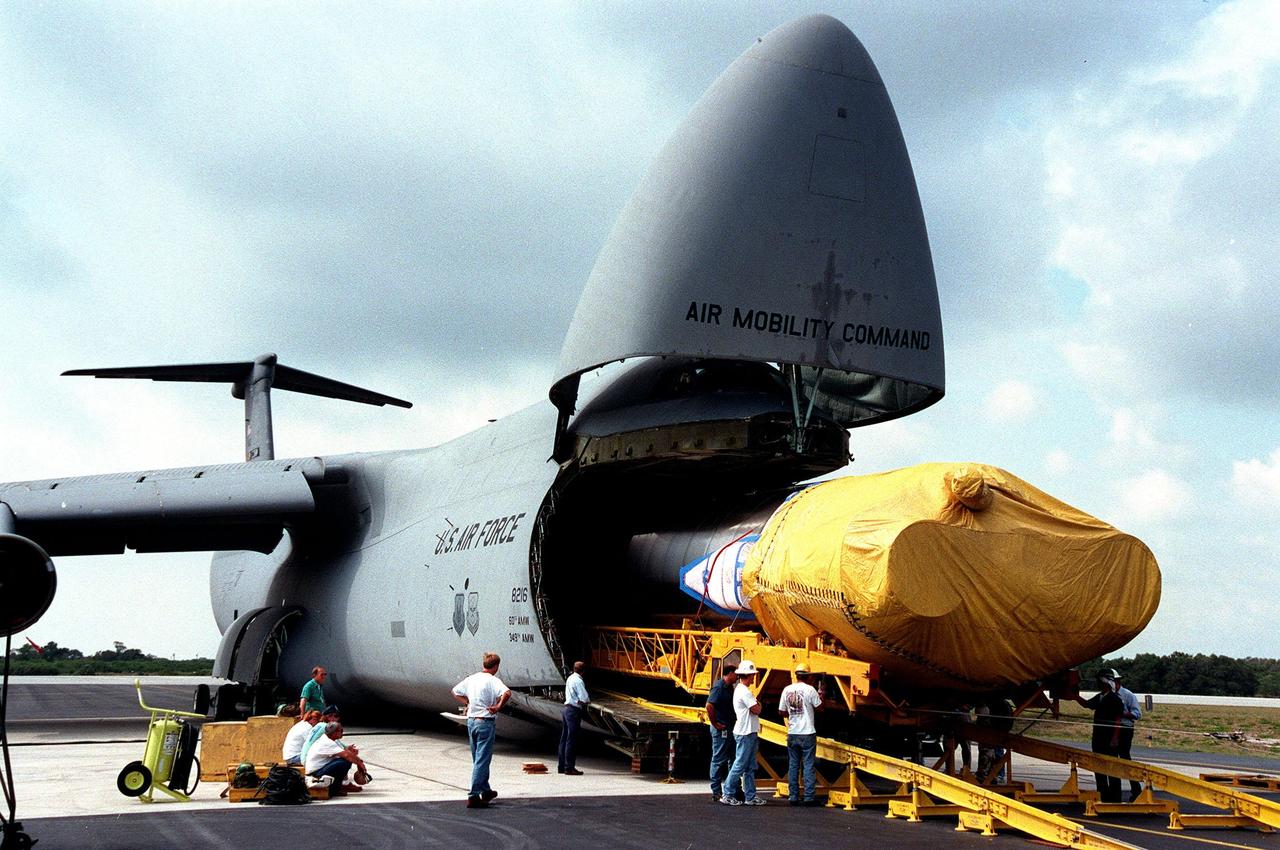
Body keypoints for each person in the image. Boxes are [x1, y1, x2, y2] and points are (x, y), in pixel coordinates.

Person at [452, 652, 511, 809]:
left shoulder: (472, 679)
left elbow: (455, 691)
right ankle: (473, 795)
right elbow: (507, 693)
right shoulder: (493, 681)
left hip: (471, 722)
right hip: (485, 722)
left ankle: (485, 790)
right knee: (482, 760)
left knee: (478, 758)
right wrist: (498, 706)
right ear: (496, 666)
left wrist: (468, 702)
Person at [721, 660, 766, 806]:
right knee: (740, 764)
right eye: (752, 675)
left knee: (749, 766)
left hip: (748, 731)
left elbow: (755, 708)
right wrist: (758, 704)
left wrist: (757, 704)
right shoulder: (744, 692)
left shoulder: (741, 690)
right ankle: (727, 793)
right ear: (747, 675)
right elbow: (757, 709)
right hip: (746, 732)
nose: (754, 678)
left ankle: (750, 796)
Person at [1076, 672, 1125, 803]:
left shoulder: (1115, 699)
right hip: (1098, 737)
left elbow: (1118, 719)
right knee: (1099, 767)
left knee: (1112, 767)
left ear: (1106, 684)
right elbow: (1088, 705)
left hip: (1109, 738)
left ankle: (1115, 797)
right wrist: (1076, 697)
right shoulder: (1100, 697)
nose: (1099, 685)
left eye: (1101, 683)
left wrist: (1115, 737)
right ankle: (1102, 794)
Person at [778, 663, 822, 806]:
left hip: (793, 733)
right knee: (808, 765)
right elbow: (820, 708)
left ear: (796, 675)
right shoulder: (810, 690)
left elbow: (781, 711)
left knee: (793, 765)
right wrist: (822, 695)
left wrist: (792, 713)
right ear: (809, 676)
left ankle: (793, 796)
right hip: (807, 733)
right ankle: (809, 797)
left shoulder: (787, 689)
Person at [304, 721, 367, 796]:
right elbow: (346, 755)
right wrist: (360, 764)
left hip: (319, 770)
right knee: (344, 763)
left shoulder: (330, 740)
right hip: (316, 773)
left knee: (345, 760)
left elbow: (345, 752)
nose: (342, 733)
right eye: (341, 731)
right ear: (334, 733)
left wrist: (354, 757)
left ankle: (337, 787)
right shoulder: (327, 742)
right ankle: (335, 789)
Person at [1110, 668, 1144, 801]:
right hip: (1111, 728)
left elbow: (1137, 714)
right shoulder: (1107, 695)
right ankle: (1114, 790)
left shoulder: (1128, 695)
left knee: (1124, 758)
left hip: (1125, 729)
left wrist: (1121, 714)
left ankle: (1136, 790)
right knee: (1112, 759)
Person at [706, 663, 738, 803]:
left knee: (733, 758)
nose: (737, 676)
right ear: (730, 673)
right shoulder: (719, 688)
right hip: (721, 729)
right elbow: (709, 705)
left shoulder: (729, 687)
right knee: (718, 759)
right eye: (736, 673)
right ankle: (716, 791)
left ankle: (733, 789)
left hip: (729, 728)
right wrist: (715, 723)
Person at [558, 660, 590, 775]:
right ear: (583, 671)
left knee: (564, 738)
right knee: (572, 740)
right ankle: (569, 768)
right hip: (573, 711)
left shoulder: (570, 678)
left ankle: (561, 766)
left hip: (566, 710)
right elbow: (584, 698)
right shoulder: (578, 681)